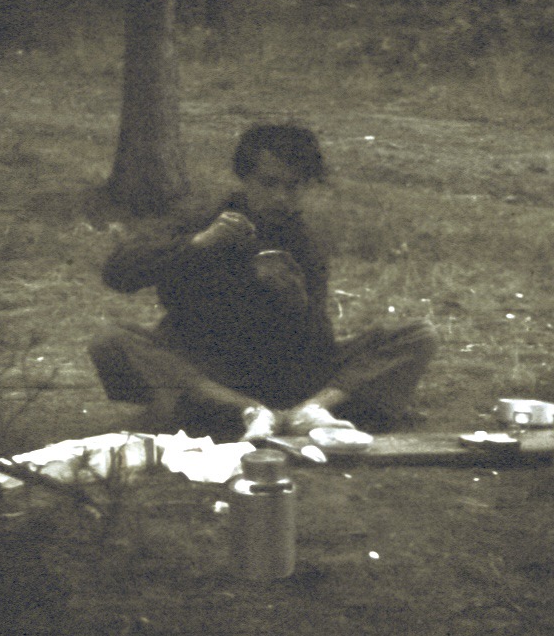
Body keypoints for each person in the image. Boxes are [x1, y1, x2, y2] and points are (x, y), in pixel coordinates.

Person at [89, 124, 437, 442]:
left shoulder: (303, 241)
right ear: (245, 178)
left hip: (285, 377)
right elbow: (118, 273)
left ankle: (310, 411)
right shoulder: (204, 221)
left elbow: (316, 347)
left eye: (293, 186)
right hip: (207, 370)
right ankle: (247, 410)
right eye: (268, 184)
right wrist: (197, 245)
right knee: (111, 341)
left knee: (419, 335)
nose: (280, 197)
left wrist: (297, 301)